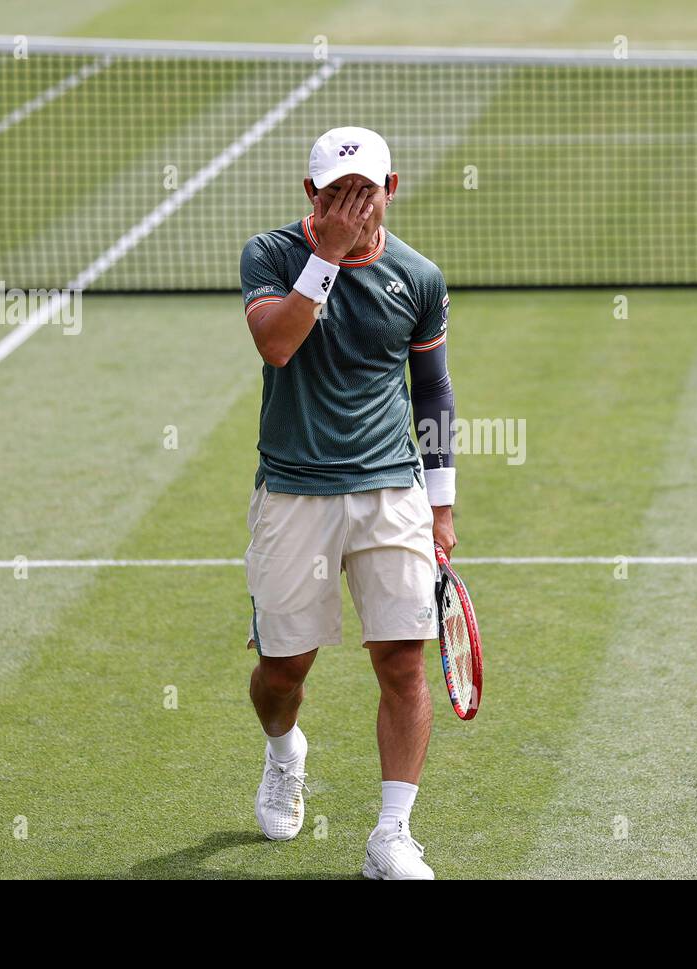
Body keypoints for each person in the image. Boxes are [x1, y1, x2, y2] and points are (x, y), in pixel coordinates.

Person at [239, 126, 457, 880]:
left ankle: (391, 835)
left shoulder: (418, 277)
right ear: (312, 197)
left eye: (367, 190)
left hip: (390, 486)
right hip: (294, 490)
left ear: (391, 189)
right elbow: (276, 344)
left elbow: (431, 390)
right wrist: (326, 258)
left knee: (402, 663)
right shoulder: (271, 256)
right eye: (338, 194)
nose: (355, 205)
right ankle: (282, 749)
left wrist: (442, 503)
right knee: (283, 669)